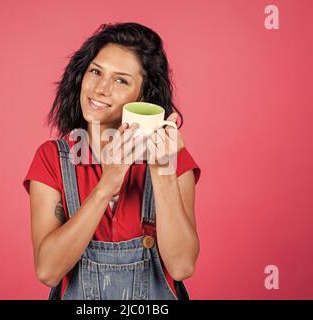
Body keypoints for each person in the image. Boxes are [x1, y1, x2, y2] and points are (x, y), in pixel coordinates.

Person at [23, 22, 201, 300]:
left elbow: (181, 266)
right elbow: (48, 270)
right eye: (95, 72)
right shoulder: (52, 159)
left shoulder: (172, 157)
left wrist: (162, 171)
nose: (100, 88)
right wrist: (107, 185)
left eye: (121, 80)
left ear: (142, 97)